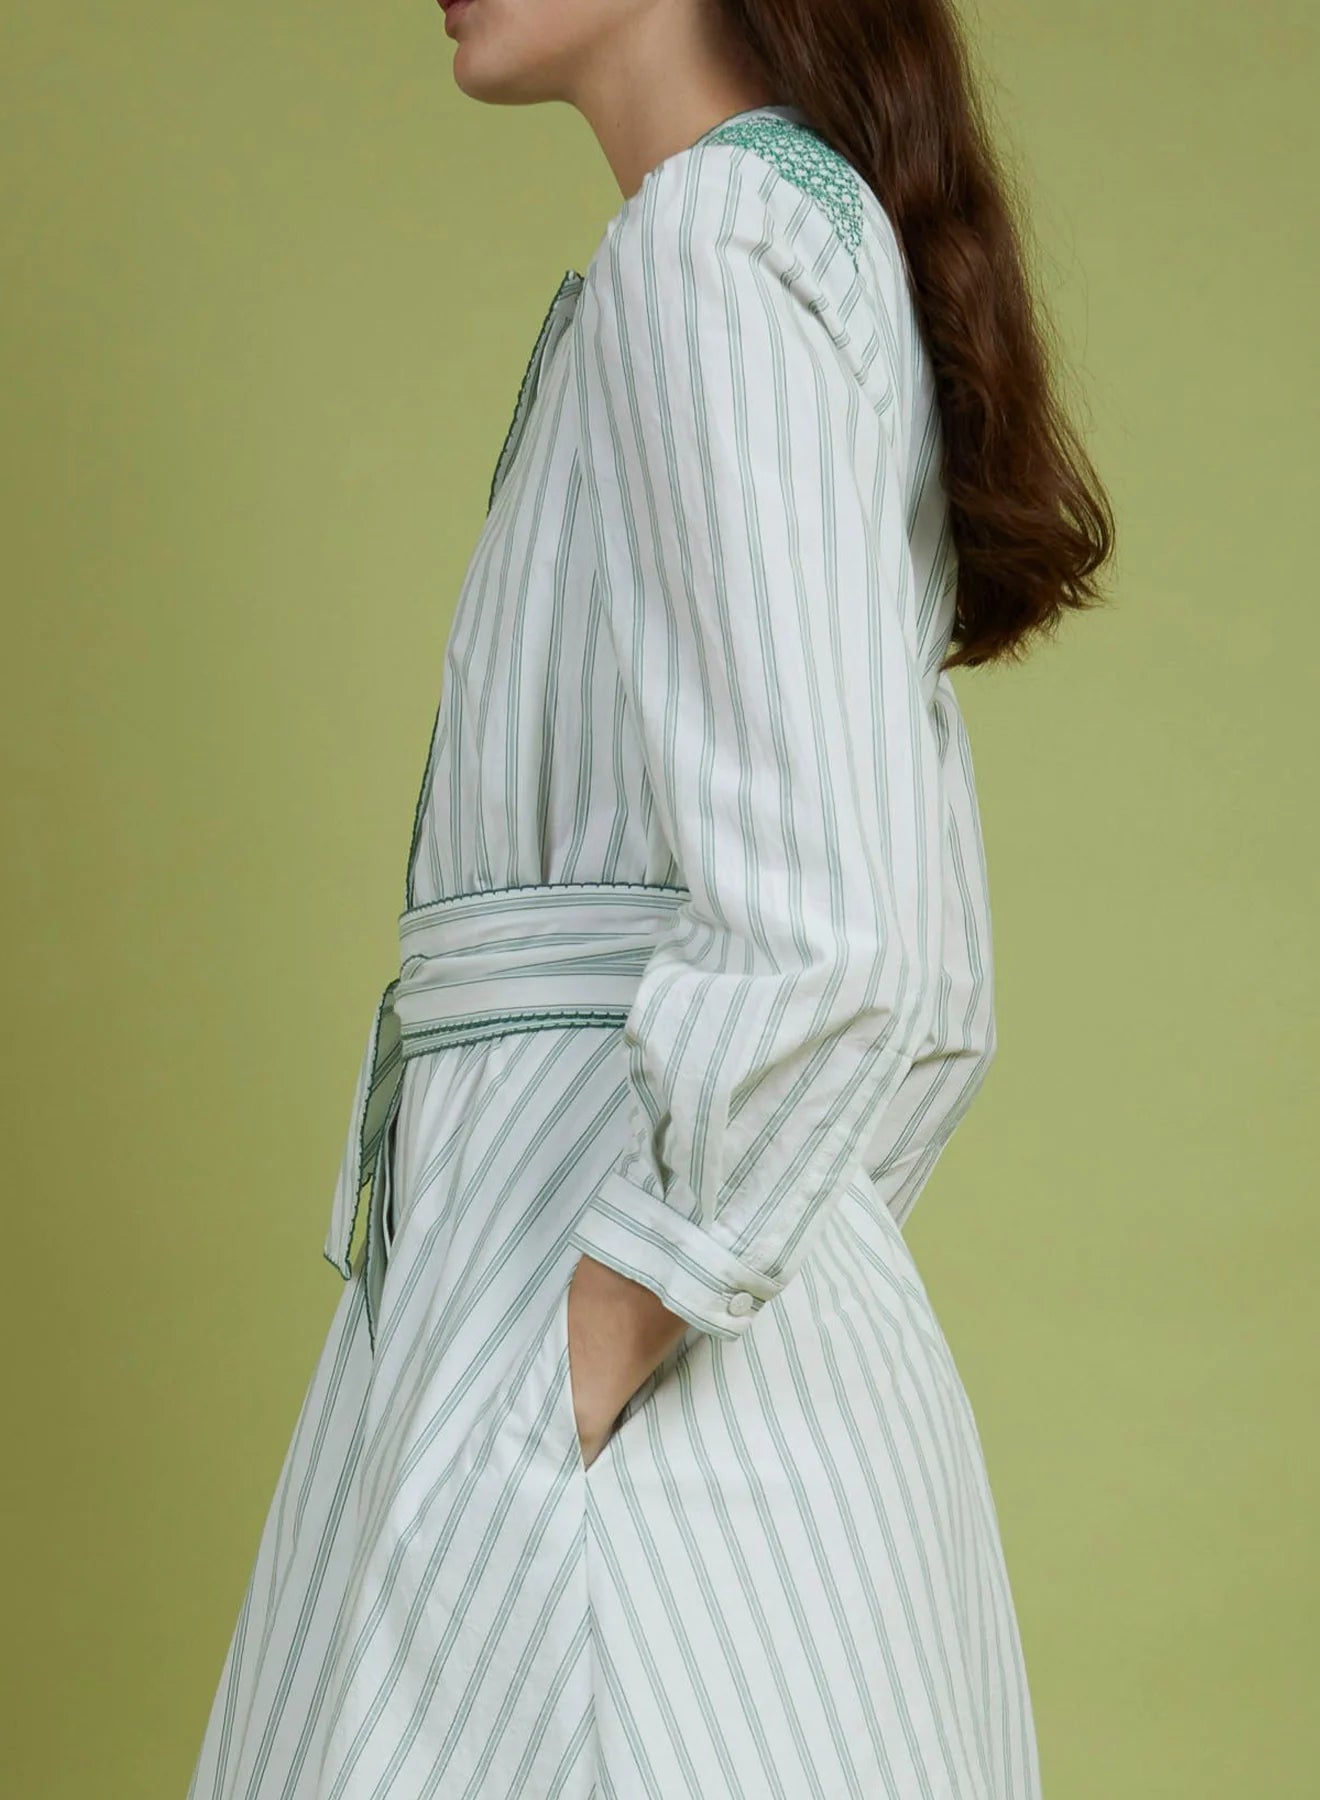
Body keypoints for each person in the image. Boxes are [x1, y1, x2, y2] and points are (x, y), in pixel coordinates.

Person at [188, 0, 1113, 1794]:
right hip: (683, 1338)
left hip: (592, 1323)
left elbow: (837, 927)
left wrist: (602, 1333)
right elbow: (928, 966)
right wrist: (734, 1256)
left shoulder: (710, 245)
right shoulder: (787, 241)